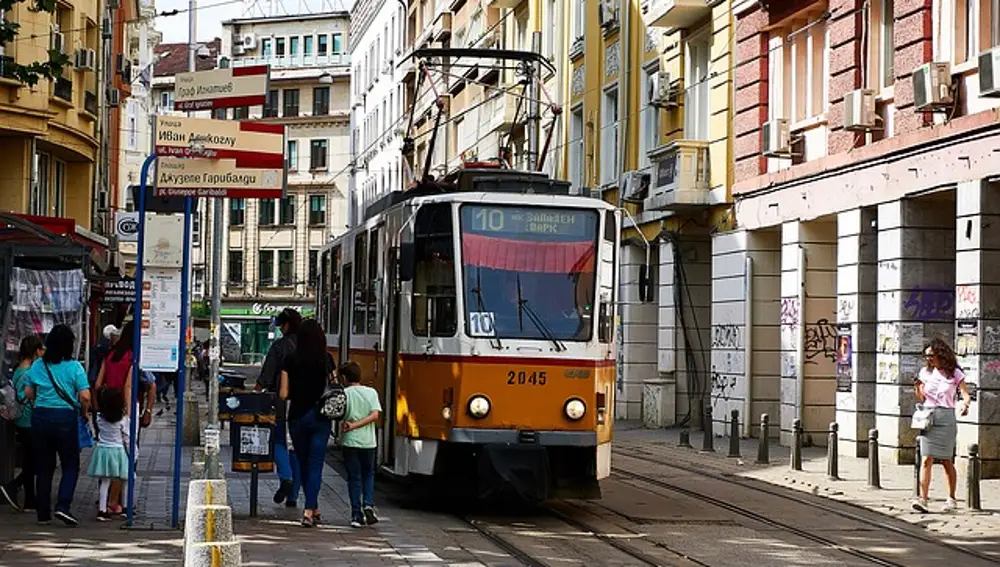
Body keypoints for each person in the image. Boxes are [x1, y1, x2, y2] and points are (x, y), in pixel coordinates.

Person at [24, 324, 91, 526]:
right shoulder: (74, 367)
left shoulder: (38, 365)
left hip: (40, 417)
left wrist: (37, 402)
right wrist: (84, 412)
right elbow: (85, 396)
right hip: (65, 418)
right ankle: (63, 506)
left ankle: (42, 513)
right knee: (70, 464)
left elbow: (28, 392)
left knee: (44, 466)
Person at [279, 319, 334, 528]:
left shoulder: (289, 360)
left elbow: (284, 394)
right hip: (321, 417)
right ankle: (311, 509)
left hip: (297, 417)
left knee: (302, 464)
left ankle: (311, 507)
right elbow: (334, 387)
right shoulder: (327, 360)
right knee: (316, 464)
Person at [913, 337, 972, 514]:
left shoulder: (954, 373)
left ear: (940, 354)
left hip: (946, 417)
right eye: (926, 356)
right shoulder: (925, 372)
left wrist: (965, 405)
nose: (928, 359)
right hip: (928, 416)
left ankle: (951, 498)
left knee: (946, 460)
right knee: (926, 458)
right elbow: (922, 397)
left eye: (931, 355)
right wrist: (917, 387)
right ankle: (923, 499)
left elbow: (965, 394)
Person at [259, 308, 303, 506]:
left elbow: (266, 377)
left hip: (282, 402)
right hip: (305, 404)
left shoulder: (279, 347)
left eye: (281, 326)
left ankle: (285, 477)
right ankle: (293, 497)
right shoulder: (309, 346)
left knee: (278, 441)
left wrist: (257, 389)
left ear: (286, 326)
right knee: (297, 449)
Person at [1, 335, 45, 512]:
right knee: (32, 461)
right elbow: (27, 394)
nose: (43, 352)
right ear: (35, 351)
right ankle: (16, 488)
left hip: (22, 418)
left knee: (30, 459)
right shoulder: (29, 372)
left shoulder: (19, 369)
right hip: (28, 419)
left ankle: (27, 496)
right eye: (41, 349)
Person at [339, 360, 382, 528]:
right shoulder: (371, 392)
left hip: (350, 442)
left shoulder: (345, 394)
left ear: (344, 378)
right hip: (369, 442)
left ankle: (356, 514)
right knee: (369, 475)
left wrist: (352, 425)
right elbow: (375, 416)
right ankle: (368, 505)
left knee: (354, 478)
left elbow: (339, 415)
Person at [88, 388, 130, 521]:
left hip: (103, 449)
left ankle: (102, 509)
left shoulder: (100, 418)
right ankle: (125, 507)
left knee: (105, 481)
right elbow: (126, 437)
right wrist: (131, 452)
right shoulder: (123, 420)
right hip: (118, 451)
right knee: (124, 479)